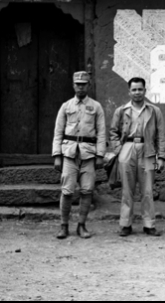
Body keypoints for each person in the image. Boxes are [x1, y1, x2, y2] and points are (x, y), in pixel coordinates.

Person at [52, 71, 106, 240]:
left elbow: (102, 132)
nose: (80, 87)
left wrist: (100, 155)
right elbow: (58, 132)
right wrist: (57, 155)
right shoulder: (66, 106)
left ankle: (82, 225)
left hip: (88, 154)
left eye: (84, 84)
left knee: (87, 190)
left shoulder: (96, 107)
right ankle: (64, 225)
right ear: (73, 85)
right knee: (67, 191)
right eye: (78, 84)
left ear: (88, 85)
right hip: (69, 154)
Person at [110, 77, 165, 237]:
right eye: (134, 90)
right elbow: (113, 132)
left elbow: (160, 135)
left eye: (140, 89)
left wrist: (161, 157)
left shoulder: (154, 111)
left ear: (145, 91)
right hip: (127, 148)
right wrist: (119, 150)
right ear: (129, 92)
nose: (137, 92)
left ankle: (149, 224)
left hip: (147, 149)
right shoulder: (121, 111)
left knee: (147, 190)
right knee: (127, 190)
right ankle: (125, 224)